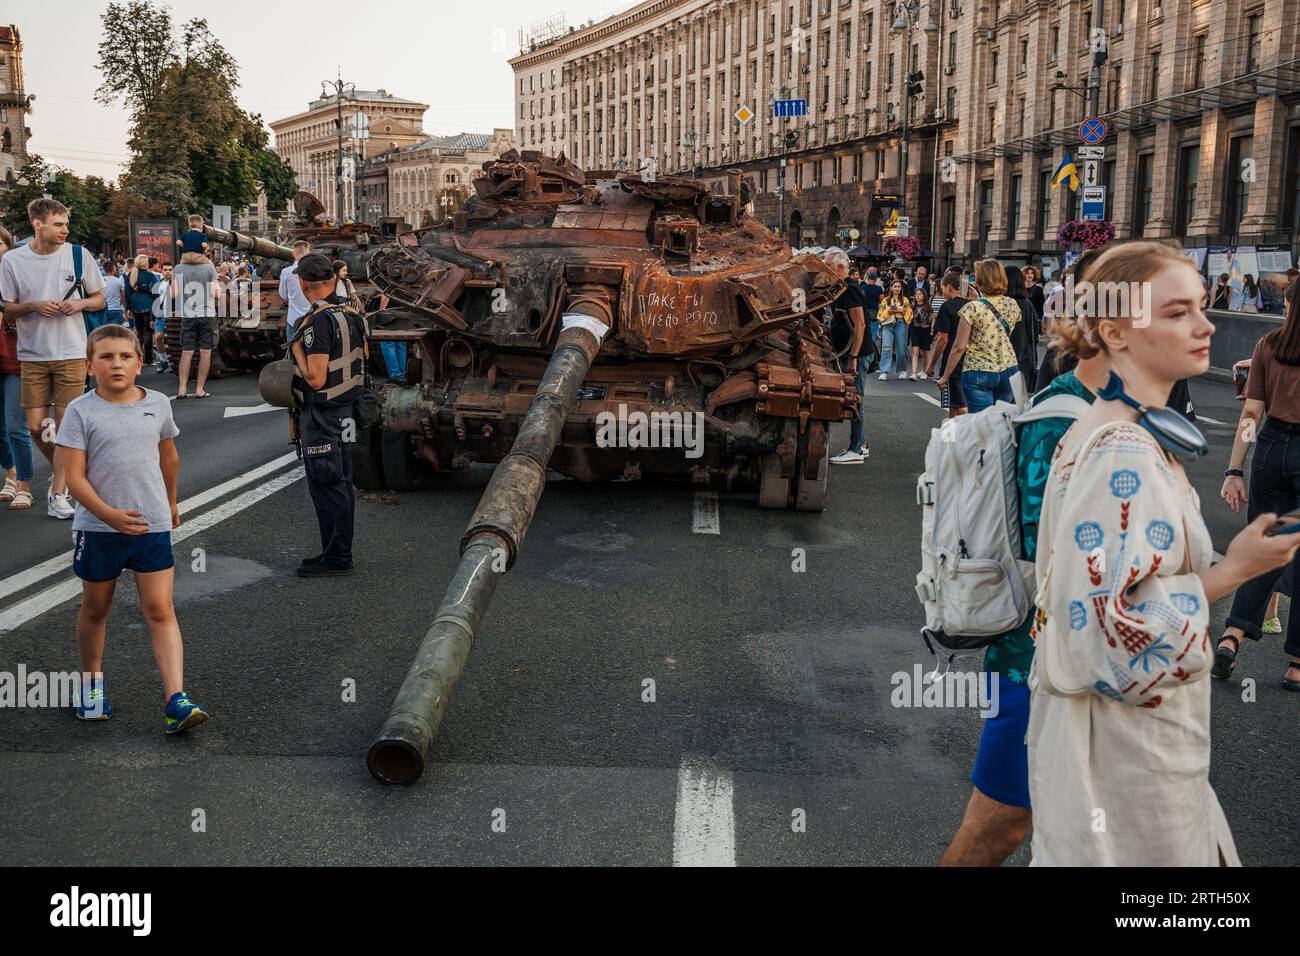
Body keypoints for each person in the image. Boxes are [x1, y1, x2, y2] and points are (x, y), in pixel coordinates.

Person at [1028, 240, 1300, 866]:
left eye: (1201, 306)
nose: (1206, 326)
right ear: (1115, 331)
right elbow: (1108, 632)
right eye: (1178, 312)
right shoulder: (1122, 451)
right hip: (1128, 765)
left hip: (1124, 751)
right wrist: (1234, 570)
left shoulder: (1110, 425)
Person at [940, 305, 1112, 866]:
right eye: (1176, 312)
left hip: (1111, 666)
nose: (1203, 327)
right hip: (1037, 665)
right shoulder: (1063, 415)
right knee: (999, 827)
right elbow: (1049, 561)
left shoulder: (1133, 413)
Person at [54, 324, 208, 732]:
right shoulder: (80, 411)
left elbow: (168, 457)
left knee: (160, 609)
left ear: (140, 363)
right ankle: (91, 688)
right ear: (89, 366)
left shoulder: (157, 403)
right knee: (96, 608)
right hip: (98, 530)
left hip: (150, 526)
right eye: (106, 357)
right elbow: (74, 478)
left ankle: (176, 699)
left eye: (125, 357)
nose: (116, 364)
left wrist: (171, 502)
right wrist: (108, 515)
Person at [1217, 282, 1300, 691]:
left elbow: (1251, 412)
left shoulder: (1269, 344)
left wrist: (1234, 469)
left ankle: (1232, 636)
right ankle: (1297, 664)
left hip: (1270, 450)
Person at [0, 198, 105, 520]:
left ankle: (58, 492)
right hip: (32, 354)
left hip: (72, 352)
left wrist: (80, 304)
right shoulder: (13, 260)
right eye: (58, 224)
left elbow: (99, 298)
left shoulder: (78, 255)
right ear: (37, 224)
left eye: (65, 224)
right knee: (35, 426)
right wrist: (33, 306)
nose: (65, 230)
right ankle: (67, 469)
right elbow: (7, 307)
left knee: (65, 427)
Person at [288, 254, 369, 577]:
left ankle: (337, 558)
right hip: (347, 411)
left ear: (302, 283)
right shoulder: (351, 313)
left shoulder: (318, 321)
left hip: (323, 413)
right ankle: (334, 551)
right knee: (341, 482)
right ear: (334, 280)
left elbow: (316, 378)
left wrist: (296, 349)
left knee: (326, 484)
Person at [935, 258, 1020, 413]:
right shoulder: (1012, 304)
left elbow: (959, 346)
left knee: (981, 420)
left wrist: (945, 376)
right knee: (1000, 418)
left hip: (979, 368)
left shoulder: (972, 308)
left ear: (980, 280)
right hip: (1008, 366)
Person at [823, 249, 870, 465]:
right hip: (850, 352)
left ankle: (856, 450)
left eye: (828, 266)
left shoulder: (850, 289)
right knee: (855, 398)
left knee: (855, 400)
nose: (826, 269)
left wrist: (853, 357)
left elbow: (860, 324)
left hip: (856, 354)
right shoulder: (843, 287)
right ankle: (862, 444)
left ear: (840, 267)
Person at [0, 226, 34, 510]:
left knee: (15, 425)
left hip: (15, 359)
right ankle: (10, 474)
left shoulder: (17, 274)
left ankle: (24, 483)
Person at [171, 253, 218, 400]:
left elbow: (174, 294)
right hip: (207, 315)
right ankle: (199, 389)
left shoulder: (178, 268)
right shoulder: (209, 268)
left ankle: (182, 389)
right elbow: (215, 293)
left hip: (188, 314)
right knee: (205, 352)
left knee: (187, 352)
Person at [925, 270, 968, 417]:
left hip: (953, 360)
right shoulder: (971, 304)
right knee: (953, 405)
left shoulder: (947, 306)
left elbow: (943, 339)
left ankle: (967, 430)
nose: (942, 291)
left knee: (960, 405)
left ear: (949, 286)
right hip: (971, 359)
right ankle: (952, 431)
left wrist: (932, 364)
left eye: (942, 287)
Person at [1005, 265, 1039, 393]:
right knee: (1018, 399)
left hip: (1001, 361)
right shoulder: (1027, 304)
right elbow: (1034, 334)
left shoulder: (1000, 304)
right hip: (1024, 360)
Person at [124, 254, 158, 367]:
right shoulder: (150, 275)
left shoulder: (130, 275)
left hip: (135, 306)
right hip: (148, 305)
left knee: (140, 333)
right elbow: (155, 291)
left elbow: (127, 293)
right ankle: (148, 358)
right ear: (145, 263)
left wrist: (128, 308)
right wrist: (146, 289)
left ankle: (138, 358)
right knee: (148, 332)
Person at [877, 278, 912, 381]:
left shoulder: (905, 300)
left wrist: (901, 310)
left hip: (900, 323)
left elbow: (910, 313)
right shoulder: (885, 300)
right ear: (891, 288)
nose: (897, 288)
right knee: (886, 347)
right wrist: (888, 311)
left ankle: (902, 370)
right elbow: (879, 315)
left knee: (901, 348)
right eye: (895, 286)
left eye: (899, 287)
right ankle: (884, 371)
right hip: (888, 324)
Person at [278, 239, 313, 338]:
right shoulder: (316, 271)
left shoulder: (286, 272)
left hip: (293, 320)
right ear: (309, 253)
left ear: (293, 254)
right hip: (312, 319)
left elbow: (283, 295)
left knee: (293, 346)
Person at [907, 287, 933, 380]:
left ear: (924, 296)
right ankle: (913, 373)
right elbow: (908, 316)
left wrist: (932, 330)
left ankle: (924, 371)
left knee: (925, 353)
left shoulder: (928, 307)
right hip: (915, 330)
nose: (917, 296)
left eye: (919, 294)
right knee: (915, 351)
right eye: (916, 294)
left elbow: (933, 319)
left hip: (926, 331)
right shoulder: (912, 306)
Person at [861, 268, 884, 356]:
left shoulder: (863, 288)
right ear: (875, 280)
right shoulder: (879, 289)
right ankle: (873, 353)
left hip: (864, 312)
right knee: (873, 334)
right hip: (874, 312)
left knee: (866, 332)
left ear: (868, 279)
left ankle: (866, 351)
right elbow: (882, 301)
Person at [101, 260, 126, 327]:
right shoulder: (119, 281)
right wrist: (125, 311)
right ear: (114, 269)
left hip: (103, 309)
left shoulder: (101, 281)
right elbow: (123, 298)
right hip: (116, 309)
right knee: (115, 330)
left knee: (105, 330)